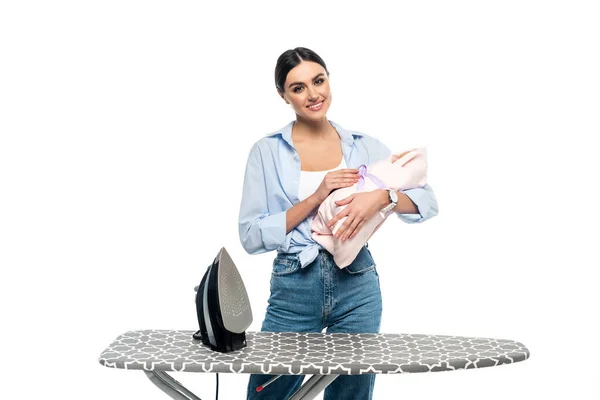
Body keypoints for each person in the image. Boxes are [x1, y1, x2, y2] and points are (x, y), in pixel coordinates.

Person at [238, 47, 439, 400]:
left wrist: (382, 198)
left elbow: (427, 202)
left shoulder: (363, 147)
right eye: (298, 87)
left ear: (329, 80)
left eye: (319, 81)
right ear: (283, 96)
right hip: (294, 286)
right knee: (267, 392)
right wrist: (315, 198)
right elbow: (251, 235)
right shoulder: (266, 152)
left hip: (357, 284)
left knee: (351, 395)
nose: (313, 94)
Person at [311, 147, 428, 268]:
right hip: (295, 267)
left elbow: (429, 204)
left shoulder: (365, 145)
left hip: (358, 270)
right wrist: (316, 198)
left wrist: (384, 197)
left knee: (347, 228)